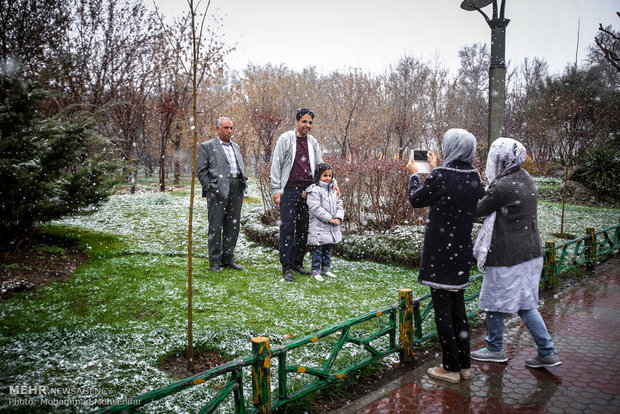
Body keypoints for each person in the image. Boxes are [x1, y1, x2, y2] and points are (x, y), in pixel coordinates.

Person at [470, 137, 561, 368]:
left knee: (493, 302)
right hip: (530, 252)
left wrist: (467, 187)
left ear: (501, 160)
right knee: (525, 304)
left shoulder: (503, 186)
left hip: (507, 255)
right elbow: (494, 199)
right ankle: (547, 351)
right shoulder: (525, 178)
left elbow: (478, 209)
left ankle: (495, 348)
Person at [406, 128, 482, 384]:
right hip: (461, 250)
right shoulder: (474, 176)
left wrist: (415, 176)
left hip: (440, 251)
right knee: (458, 308)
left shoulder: (440, 176)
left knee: (442, 311)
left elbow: (416, 200)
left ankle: (449, 368)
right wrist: (438, 167)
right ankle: (464, 365)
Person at [270, 108, 338, 282]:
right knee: (287, 229)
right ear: (296, 122)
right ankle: (286, 266)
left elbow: (321, 166)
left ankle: (297, 262)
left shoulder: (313, 142)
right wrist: (275, 189)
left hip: (308, 192)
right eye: (304, 121)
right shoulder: (285, 139)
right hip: (289, 190)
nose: (307, 125)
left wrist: (333, 183)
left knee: (303, 228)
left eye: (310, 122)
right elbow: (276, 165)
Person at [196, 116, 247, 273]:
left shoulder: (236, 147)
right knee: (215, 227)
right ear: (218, 129)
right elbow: (201, 171)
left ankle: (228, 258)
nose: (229, 131)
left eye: (231, 128)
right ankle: (215, 261)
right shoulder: (207, 147)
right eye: (226, 128)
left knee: (233, 226)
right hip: (217, 191)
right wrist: (210, 188)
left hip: (236, 188)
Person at [305, 163, 344, 281]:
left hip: (332, 227)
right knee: (318, 250)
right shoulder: (314, 190)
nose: (328, 178)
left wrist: (338, 217)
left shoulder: (333, 189)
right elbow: (315, 208)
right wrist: (329, 219)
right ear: (318, 176)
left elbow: (339, 204)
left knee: (328, 250)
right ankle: (316, 270)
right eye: (324, 176)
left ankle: (326, 268)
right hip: (319, 227)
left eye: (330, 176)